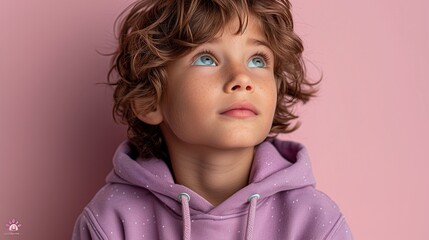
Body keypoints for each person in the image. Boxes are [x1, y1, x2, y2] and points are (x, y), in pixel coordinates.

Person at [73, 0, 353, 239]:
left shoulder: (315, 221)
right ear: (150, 101)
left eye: (257, 60)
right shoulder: (111, 221)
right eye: (206, 59)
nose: (241, 78)